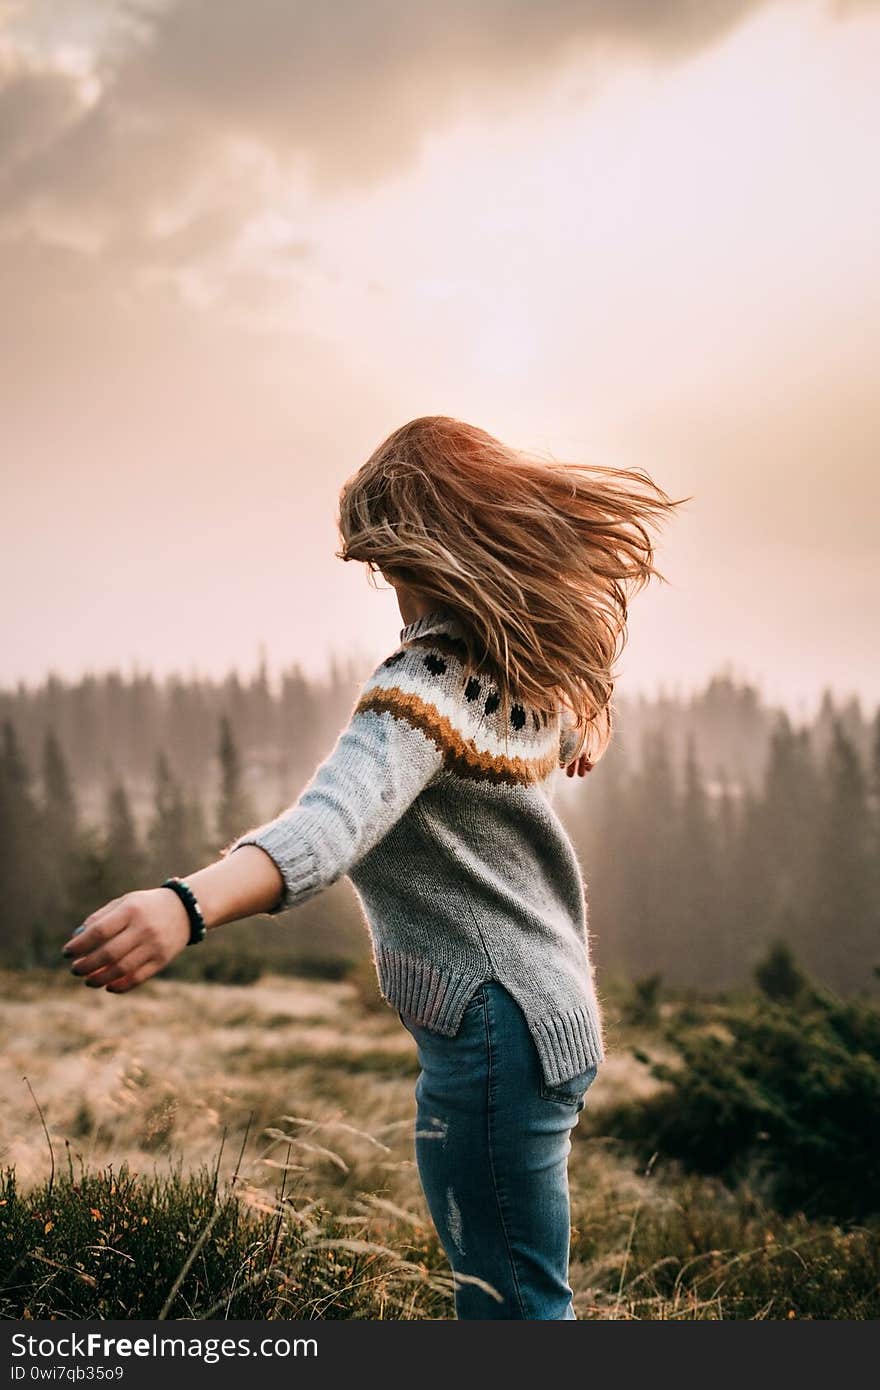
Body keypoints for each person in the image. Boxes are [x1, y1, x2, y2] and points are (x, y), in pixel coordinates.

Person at [61, 415, 687, 1319]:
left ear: (431, 552)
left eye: (386, 566)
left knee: (507, 1306)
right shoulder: (522, 667)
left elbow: (330, 828)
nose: (386, 589)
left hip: (495, 1033)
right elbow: (567, 707)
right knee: (526, 1293)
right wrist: (588, 716)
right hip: (545, 1016)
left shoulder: (423, 685)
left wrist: (183, 905)